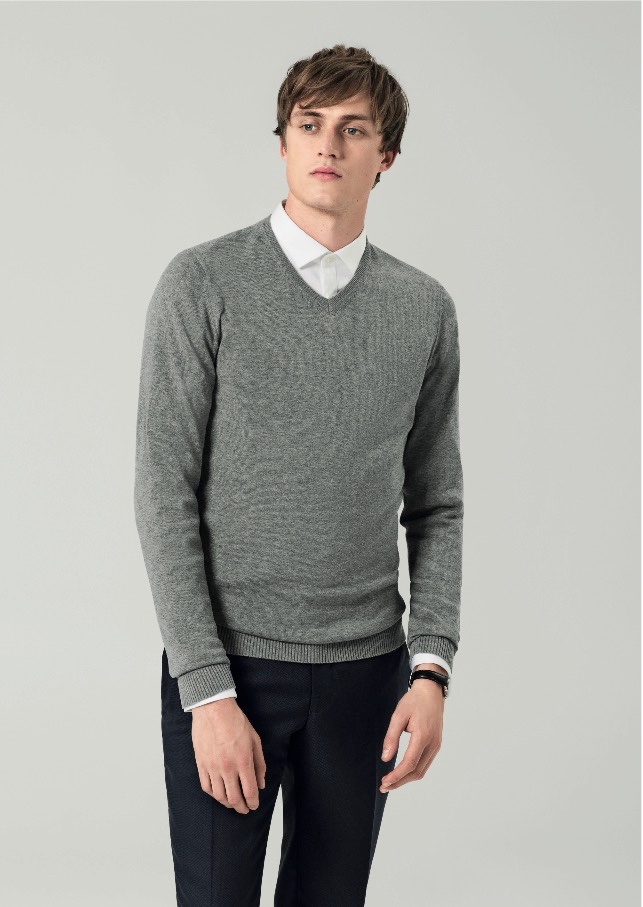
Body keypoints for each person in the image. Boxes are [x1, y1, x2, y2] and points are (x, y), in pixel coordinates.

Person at [134, 43, 463, 907]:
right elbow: (163, 494)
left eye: (353, 130)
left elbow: (437, 503)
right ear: (281, 142)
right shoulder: (202, 283)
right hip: (232, 669)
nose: (327, 144)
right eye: (309, 125)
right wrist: (206, 692)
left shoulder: (422, 309)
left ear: (386, 156)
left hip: (367, 675)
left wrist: (430, 669)